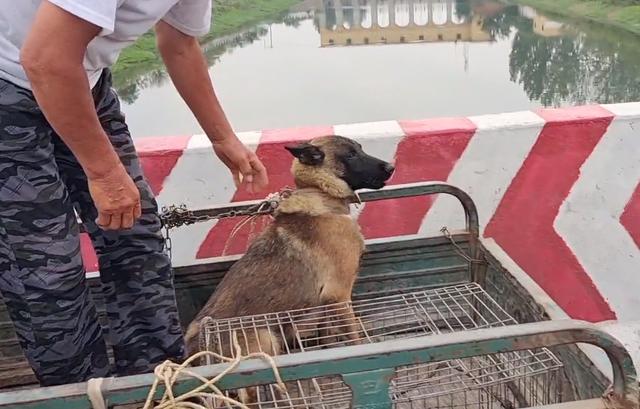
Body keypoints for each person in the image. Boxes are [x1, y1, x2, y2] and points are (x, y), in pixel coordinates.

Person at [0, 0, 268, 386]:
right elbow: (44, 60)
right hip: (15, 85)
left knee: (135, 234)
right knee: (45, 268)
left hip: (81, 80)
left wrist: (223, 138)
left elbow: (179, 43)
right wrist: (105, 174)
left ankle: (154, 382)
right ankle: (82, 392)